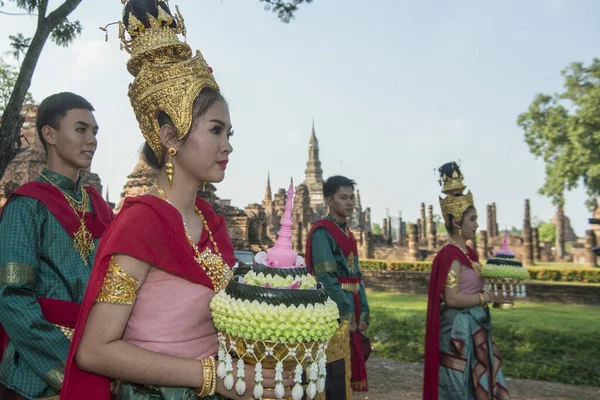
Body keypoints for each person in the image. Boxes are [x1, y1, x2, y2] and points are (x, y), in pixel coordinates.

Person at [60, 1, 292, 399]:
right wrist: (210, 376)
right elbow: (95, 351)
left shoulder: (211, 224)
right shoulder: (143, 225)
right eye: (216, 130)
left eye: (229, 134)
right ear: (170, 138)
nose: (227, 146)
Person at [0, 92, 114, 399]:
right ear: (50, 134)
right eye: (81, 129)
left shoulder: (100, 208)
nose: (92, 140)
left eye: (94, 132)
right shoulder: (26, 206)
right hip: (39, 370)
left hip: (103, 357)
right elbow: (11, 298)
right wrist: (68, 364)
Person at [423, 162, 510, 400]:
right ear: (457, 222)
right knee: (459, 387)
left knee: (475, 385)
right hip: (457, 333)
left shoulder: (470, 255)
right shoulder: (450, 255)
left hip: (475, 326)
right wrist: (487, 297)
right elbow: (451, 298)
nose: (477, 224)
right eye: (472, 219)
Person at [305, 175, 370, 399]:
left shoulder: (348, 233)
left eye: (351, 197)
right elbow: (326, 278)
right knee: (333, 372)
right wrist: (346, 312)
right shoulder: (323, 232)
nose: (350, 202)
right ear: (329, 200)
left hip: (349, 306)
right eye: (343, 197)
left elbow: (356, 276)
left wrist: (364, 309)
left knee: (347, 368)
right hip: (333, 312)